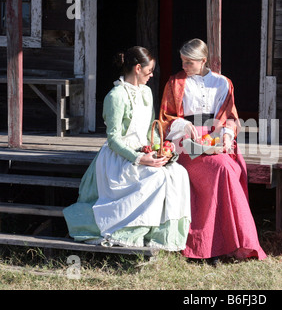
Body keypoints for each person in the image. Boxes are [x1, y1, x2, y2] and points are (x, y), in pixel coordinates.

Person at [63, 46, 191, 251]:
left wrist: (160, 149)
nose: (151, 75)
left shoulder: (147, 92)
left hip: (144, 150)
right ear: (138, 68)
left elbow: (152, 129)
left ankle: (159, 235)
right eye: (149, 71)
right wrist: (140, 159)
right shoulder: (116, 96)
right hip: (120, 157)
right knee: (155, 178)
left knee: (179, 173)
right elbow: (114, 139)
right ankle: (131, 232)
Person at [160, 39, 267, 262]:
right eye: (182, 61)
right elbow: (166, 117)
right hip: (186, 144)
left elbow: (231, 117)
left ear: (203, 60)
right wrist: (183, 125)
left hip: (216, 139)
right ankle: (207, 246)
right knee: (220, 169)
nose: (184, 66)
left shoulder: (223, 83)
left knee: (228, 168)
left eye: (189, 62)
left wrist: (227, 135)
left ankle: (229, 244)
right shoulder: (175, 83)